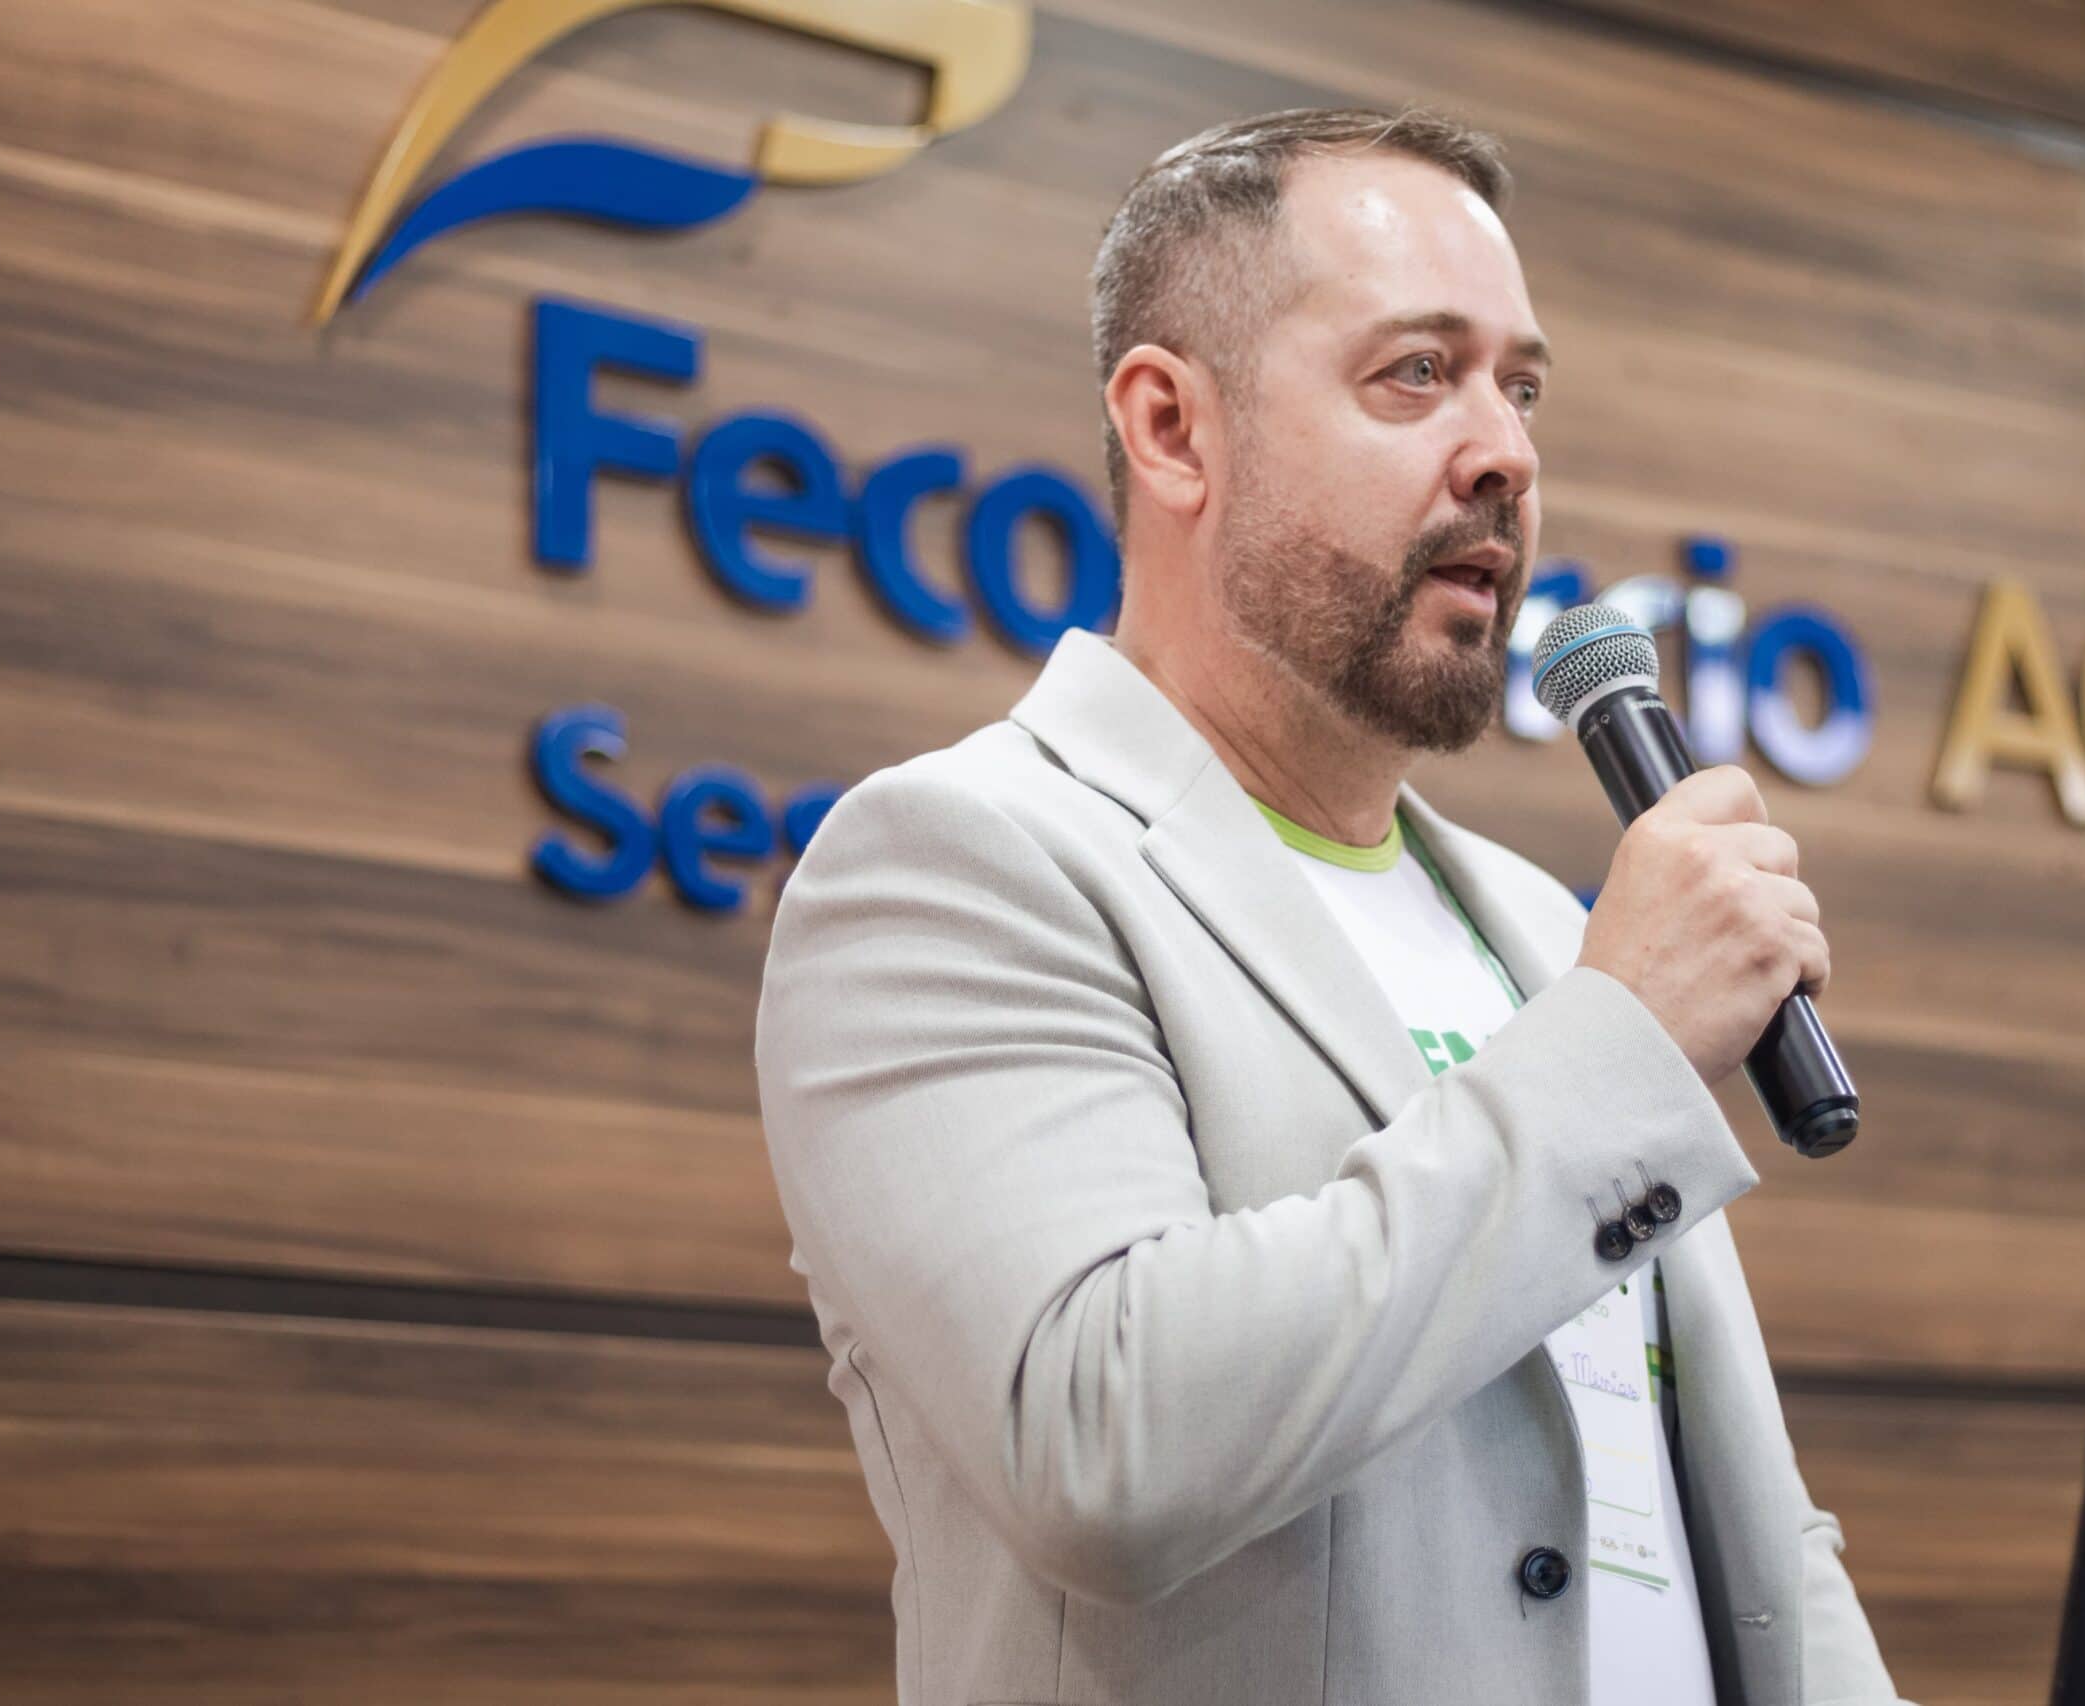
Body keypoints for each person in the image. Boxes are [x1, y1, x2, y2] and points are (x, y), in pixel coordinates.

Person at [754, 107, 1910, 1706]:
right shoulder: (959, 862)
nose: (1504, 453)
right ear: (1174, 429)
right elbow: (1106, 1440)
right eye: (1416, 373)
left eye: (1520, 386)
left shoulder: (1539, 923)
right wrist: (1623, 1040)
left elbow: (1741, 1520)